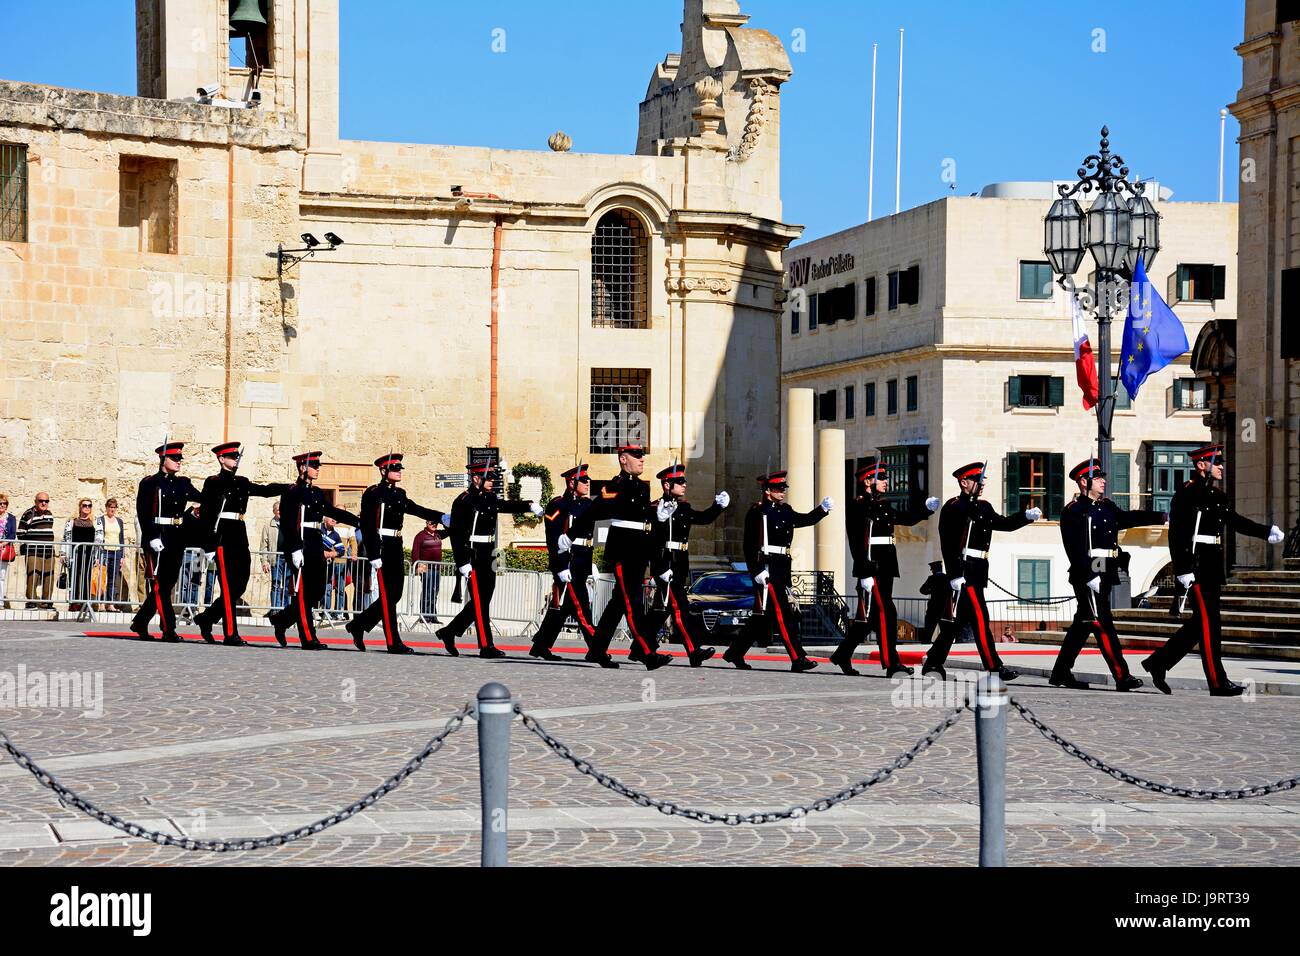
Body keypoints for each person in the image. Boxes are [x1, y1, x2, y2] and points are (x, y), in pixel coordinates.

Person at [1141, 444, 1285, 697]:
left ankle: (1158, 663)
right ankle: (1217, 682)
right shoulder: (1188, 493)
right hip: (1194, 566)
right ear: (1201, 465)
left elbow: (1235, 521)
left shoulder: (1216, 496)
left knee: (1200, 624)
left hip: (1211, 567)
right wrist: (1183, 569)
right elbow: (1178, 534)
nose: (1221, 467)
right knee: (1210, 624)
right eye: (1216, 462)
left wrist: (1265, 531)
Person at [1050, 458, 1165, 692]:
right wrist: (1089, 573)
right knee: (1103, 624)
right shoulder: (1074, 511)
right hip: (1088, 572)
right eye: (1098, 477)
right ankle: (1122, 676)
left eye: (1103, 477)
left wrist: (1160, 517)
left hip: (1105, 568)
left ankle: (1060, 672)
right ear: (1084, 481)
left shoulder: (1106, 506)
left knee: (1083, 624)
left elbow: (1127, 518)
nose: (1103, 480)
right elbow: (1074, 548)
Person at [921, 462, 1041, 682]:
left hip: (979, 571)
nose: (981, 483)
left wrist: (1025, 517)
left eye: (982, 479)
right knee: (980, 618)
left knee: (955, 624)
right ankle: (994, 667)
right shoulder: (954, 507)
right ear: (964, 482)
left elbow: (1002, 524)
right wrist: (955, 574)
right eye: (977, 479)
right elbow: (947, 543)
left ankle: (933, 661)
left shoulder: (984, 507)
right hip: (964, 572)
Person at [565, 444, 674, 670]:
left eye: (642, 456)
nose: (641, 460)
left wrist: (659, 518)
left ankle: (596, 650)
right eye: (636, 456)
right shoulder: (615, 486)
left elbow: (644, 524)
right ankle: (646, 653)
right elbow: (594, 512)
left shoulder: (642, 488)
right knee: (632, 603)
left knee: (617, 605)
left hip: (639, 552)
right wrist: (570, 535)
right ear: (623, 459)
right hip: (623, 552)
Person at [829, 461, 939, 677]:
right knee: (888, 613)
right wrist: (864, 572)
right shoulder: (859, 505)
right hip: (872, 567)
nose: (886, 482)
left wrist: (925, 510)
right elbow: (856, 541)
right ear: (868, 481)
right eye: (881, 478)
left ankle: (842, 654)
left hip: (887, 566)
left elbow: (903, 519)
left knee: (869, 620)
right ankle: (892, 663)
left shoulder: (883, 504)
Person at [723, 470, 832, 673]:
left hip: (782, 567)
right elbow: (748, 545)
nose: (782, 492)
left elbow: (804, 520)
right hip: (767, 569)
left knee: (761, 618)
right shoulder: (757, 512)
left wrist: (822, 510)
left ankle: (735, 652)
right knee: (784, 615)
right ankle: (798, 658)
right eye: (777, 489)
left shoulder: (785, 510)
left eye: (783, 488)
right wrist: (755, 570)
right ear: (767, 491)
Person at [437, 459, 540, 658]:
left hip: (489, 552)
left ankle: (449, 631)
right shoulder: (464, 500)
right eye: (489, 477)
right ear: (476, 478)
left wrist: (529, 505)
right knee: (480, 601)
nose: (493, 480)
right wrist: (462, 563)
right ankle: (486, 646)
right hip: (473, 554)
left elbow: (506, 505)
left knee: (483, 599)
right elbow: (457, 534)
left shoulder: (490, 498)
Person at [348, 453, 449, 654]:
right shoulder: (374, 493)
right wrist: (374, 554)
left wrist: (442, 517)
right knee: (387, 595)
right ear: (383, 471)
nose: (398, 472)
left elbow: (417, 509)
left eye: (399, 469)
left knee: (395, 594)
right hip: (382, 546)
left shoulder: (400, 494)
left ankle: (358, 624)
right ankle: (393, 642)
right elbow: (367, 525)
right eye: (394, 469)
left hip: (395, 544)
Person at [193, 441, 287, 645]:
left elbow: (264, 490)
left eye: (237, 456)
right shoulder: (213, 482)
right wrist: (208, 546)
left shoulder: (242, 482)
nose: (236, 459)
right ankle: (230, 634)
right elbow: (207, 516)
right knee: (227, 587)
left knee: (239, 585)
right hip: (223, 537)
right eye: (232, 456)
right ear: (221, 459)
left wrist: (289, 487)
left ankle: (207, 618)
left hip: (239, 535)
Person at [267, 451, 360, 650]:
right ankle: (308, 638)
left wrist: (360, 522)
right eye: (314, 465)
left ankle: (282, 621)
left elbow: (333, 512)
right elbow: (288, 523)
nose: (318, 469)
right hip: (301, 543)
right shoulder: (292, 492)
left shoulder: (317, 492)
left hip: (316, 542)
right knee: (302, 593)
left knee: (317, 589)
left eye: (318, 466)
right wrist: (293, 548)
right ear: (302, 468)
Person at [644, 463, 727, 667]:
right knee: (680, 608)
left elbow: (704, 519)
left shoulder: (684, 507)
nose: (684, 485)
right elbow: (652, 543)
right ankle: (694, 650)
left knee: (661, 610)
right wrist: (660, 568)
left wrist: (718, 506)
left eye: (684, 481)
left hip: (680, 563)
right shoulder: (656, 508)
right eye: (679, 482)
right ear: (666, 485)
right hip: (666, 565)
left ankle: (640, 647)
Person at [529, 464, 608, 664]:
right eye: (583, 480)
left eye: (588, 480)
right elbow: (553, 538)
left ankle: (541, 644)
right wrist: (561, 566)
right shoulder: (559, 504)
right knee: (582, 609)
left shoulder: (586, 504)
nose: (587, 483)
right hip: (568, 563)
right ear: (572, 482)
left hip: (582, 561)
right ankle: (596, 649)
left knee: (562, 608)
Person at [130, 442, 203, 642]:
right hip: (158, 537)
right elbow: (143, 512)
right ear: (163, 460)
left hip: (177, 538)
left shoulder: (183, 483)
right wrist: (152, 536)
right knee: (160, 586)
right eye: (175, 458)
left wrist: (194, 513)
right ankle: (168, 628)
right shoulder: (150, 483)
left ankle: (140, 622)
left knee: (167, 584)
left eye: (180, 458)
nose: (179, 462)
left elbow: (202, 499)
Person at [60, 498, 102, 615]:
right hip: (74, 553)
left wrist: (97, 555)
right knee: (73, 577)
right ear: (80, 506)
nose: (87, 507)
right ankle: (73, 602)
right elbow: (65, 537)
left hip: (89, 555)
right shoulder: (71, 521)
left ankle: (84, 602)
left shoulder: (95, 521)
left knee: (86, 578)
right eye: (84, 505)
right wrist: (63, 553)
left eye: (89, 505)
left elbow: (100, 537)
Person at [19, 492, 57, 610]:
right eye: (41, 501)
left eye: (46, 501)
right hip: (33, 551)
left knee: (49, 576)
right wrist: (31, 543)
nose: (44, 503)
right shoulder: (28, 514)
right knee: (33, 575)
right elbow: (20, 533)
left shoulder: (49, 514)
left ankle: (46, 601)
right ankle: (31, 601)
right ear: (35, 501)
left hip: (49, 551)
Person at [94, 498, 128, 610]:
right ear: (106, 507)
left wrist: (122, 555)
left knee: (113, 579)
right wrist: (97, 555)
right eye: (110, 507)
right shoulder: (101, 520)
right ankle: (101, 603)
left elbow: (121, 538)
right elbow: (98, 537)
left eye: (114, 507)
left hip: (116, 552)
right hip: (104, 552)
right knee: (102, 578)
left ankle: (111, 603)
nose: (112, 509)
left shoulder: (119, 521)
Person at [412, 518, 444, 624]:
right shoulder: (420, 536)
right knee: (427, 592)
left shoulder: (438, 535)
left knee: (435, 592)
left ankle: (433, 616)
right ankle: (424, 616)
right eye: (431, 522)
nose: (434, 525)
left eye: (436, 523)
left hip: (437, 569)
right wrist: (417, 566)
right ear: (426, 523)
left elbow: (450, 530)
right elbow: (415, 551)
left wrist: (442, 520)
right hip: (426, 569)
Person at [260, 501, 289, 609]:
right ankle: (275, 609)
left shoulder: (290, 524)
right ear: (274, 512)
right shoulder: (268, 526)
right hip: (276, 558)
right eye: (278, 510)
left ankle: (287, 609)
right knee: (275, 584)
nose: (281, 512)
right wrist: (264, 562)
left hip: (288, 558)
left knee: (287, 585)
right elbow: (263, 546)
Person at [917, 561, 948, 644]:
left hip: (933, 606)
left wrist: (931, 591)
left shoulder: (931, 578)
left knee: (929, 626)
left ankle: (926, 641)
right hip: (945, 606)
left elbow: (922, 590)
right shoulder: (946, 578)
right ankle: (944, 643)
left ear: (934, 570)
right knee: (944, 627)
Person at [0, 494, 16, 610]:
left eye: (4, 504)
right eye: (0, 503)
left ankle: (0, 602)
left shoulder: (11, 518)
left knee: (1, 576)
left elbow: (12, 534)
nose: (2, 506)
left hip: (4, 549)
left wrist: (3, 544)